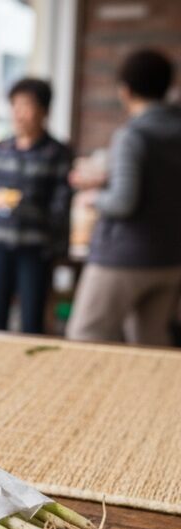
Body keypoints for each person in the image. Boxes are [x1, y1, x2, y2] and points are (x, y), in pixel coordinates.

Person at [67, 49, 181, 346]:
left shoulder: (132, 135)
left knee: (86, 336)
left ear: (125, 90)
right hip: (170, 258)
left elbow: (123, 202)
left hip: (124, 257)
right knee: (151, 345)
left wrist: (92, 197)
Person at [0, 78, 72, 334]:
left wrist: (59, 249)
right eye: (15, 105)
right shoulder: (1, 149)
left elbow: (61, 208)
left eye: (26, 105)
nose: (18, 112)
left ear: (44, 111)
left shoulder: (57, 153)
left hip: (35, 247)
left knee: (32, 320)